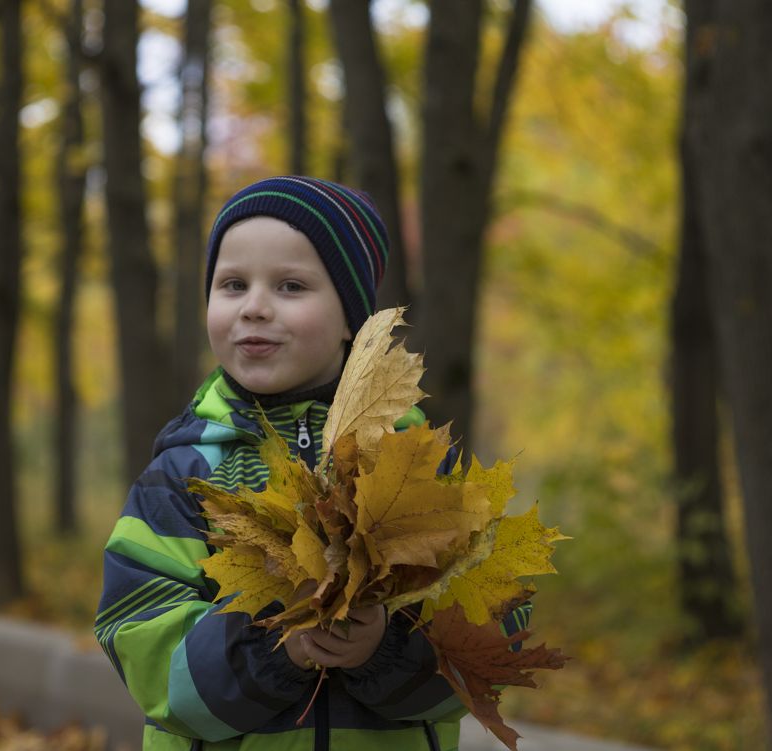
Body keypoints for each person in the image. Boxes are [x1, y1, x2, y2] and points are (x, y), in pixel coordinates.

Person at [94, 176, 530, 751]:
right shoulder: (183, 475)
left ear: (352, 317)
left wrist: (386, 649)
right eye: (231, 285)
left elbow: (493, 633)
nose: (254, 307)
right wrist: (282, 646)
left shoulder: (416, 463)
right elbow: (143, 645)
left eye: (291, 286)